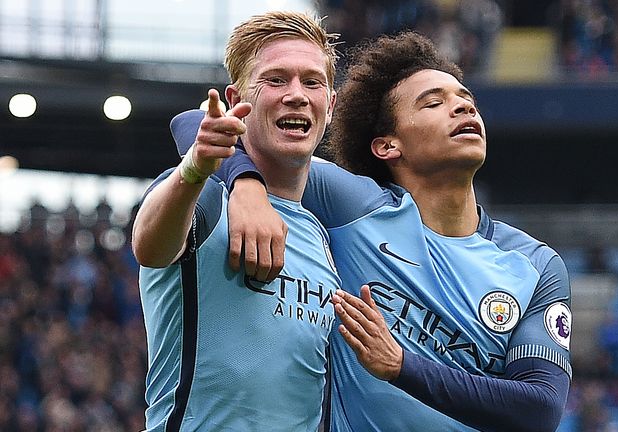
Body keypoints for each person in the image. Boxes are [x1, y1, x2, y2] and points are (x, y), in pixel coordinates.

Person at [173, 32, 571, 432]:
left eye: (466, 100)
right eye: (434, 102)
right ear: (387, 146)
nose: (462, 107)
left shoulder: (535, 265)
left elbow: (539, 408)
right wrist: (247, 186)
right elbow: (195, 124)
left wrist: (400, 365)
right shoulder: (351, 205)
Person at [131, 11, 341, 431]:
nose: (296, 94)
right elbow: (150, 247)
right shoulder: (204, 194)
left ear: (330, 105)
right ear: (236, 98)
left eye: (312, 81)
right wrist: (194, 168)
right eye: (276, 80)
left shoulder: (322, 237)